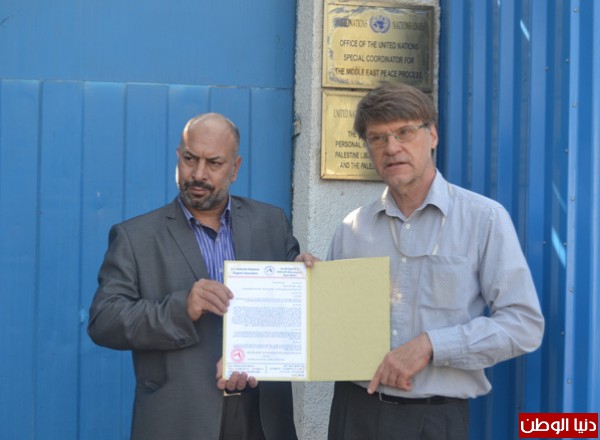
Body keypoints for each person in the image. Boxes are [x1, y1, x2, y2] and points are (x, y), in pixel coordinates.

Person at [326, 83, 545, 440]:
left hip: (435, 419)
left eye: (404, 132)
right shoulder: (352, 228)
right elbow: (330, 326)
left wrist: (431, 345)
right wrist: (302, 285)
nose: (391, 148)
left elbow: (523, 325)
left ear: (432, 135)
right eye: (378, 138)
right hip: (355, 414)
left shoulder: (484, 219)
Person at [88, 113, 307, 440]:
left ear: (235, 168)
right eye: (190, 159)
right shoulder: (135, 237)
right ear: (178, 157)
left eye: (214, 163)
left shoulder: (271, 223)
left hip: (261, 417)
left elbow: (297, 312)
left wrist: (307, 276)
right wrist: (182, 308)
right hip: (179, 421)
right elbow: (103, 321)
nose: (199, 174)